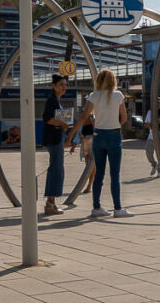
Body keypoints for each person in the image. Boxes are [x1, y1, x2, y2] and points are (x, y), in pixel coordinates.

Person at [72, 69, 132, 218]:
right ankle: (118, 208)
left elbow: (85, 114)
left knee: (99, 173)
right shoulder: (117, 95)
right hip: (114, 134)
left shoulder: (94, 96)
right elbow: (124, 118)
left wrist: (71, 133)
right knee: (115, 174)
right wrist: (114, 124)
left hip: (98, 135)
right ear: (113, 80)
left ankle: (96, 207)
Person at [42, 74, 70, 215]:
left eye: (65, 85)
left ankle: (51, 201)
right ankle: (50, 202)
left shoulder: (56, 100)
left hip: (56, 138)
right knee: (56, 169)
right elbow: (47, 118)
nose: (64, 87)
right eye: (61, 85)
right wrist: (62, 123)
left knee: (56, 169)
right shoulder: (52, 100)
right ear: (54, 85)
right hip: (54, 139)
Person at [70, 103, 95, 194]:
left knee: (92, 165)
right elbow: (78, 134)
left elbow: (98, 130)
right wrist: (73, 146)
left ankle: (89, 185)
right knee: (88, 165)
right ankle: (91, 182)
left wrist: (93, 122)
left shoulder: (94, 119)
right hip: (85, 143)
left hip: (93, 142)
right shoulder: (82, 120)